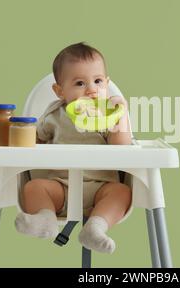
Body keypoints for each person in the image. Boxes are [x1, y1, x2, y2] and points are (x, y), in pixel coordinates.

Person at [15, 42, 132, 254]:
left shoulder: (106, 115)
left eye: (98, 81)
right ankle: (45, 219)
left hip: (101, 188)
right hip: (60, 187)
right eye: (79, 83)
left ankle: (95, 228)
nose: (91, 90)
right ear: (59, 91)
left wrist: (120, 114)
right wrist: (19, 135)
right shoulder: (53, 115)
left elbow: (121, 147)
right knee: (32, 188)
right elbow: (34, 142)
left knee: (122, 192)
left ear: (106, 83)